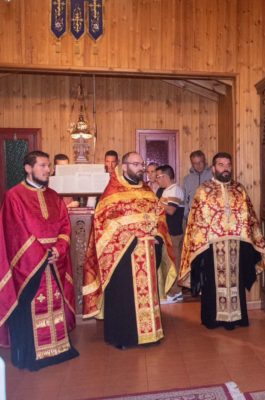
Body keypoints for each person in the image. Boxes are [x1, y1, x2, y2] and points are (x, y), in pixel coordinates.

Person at [82, 152, 176, 349]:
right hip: (122, 255)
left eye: (142, 164)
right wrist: (133, 238)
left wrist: (158, 237)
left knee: (147, 295)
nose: (141, 168)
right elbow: (104, 225)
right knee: (123, 296)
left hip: (148, 252)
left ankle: (149, 335)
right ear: (124, 167)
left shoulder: (148, 192)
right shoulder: (112, 193)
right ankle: (123, 337)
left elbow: (160, 218)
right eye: (136, 164)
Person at [0, 151, 78, 370]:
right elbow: (15, 232)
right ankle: (31, 356)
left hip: (54, 260)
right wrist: (41, 254)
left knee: (55, 302)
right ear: (28, 168)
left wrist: (58, 249)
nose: (47, 170)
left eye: (48, 166)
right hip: (28, 265)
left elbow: (65, 226)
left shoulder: (54, 196)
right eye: (42, 166)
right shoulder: (14, 196)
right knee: (30, 306)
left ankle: (59, 349)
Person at [180, 152, 265, 330]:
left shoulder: (239, 189)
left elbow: (250, 217)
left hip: (237, 244)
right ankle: (213, 319)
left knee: (236, 281)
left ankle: (236, 319)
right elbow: (195, 220)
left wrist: (251, 240)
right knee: (212, 283)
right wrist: (201, 244)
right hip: (211, 246)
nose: (225, 168)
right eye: (221, 165)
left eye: (228, 165)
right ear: (213, 168)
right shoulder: (203, 190)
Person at [156, 164, 185, 303]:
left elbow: (171, 210)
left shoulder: (175, 190)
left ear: (166, 176)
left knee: (174, 262)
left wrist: (156, 202)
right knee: (169, 262)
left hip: (174, 232)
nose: (157, 180)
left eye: (158, 177)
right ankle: (172, 291)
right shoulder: (167, 191)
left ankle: (176, 292)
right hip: (167, 233)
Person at [183, 150, 212, 222]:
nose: (198, 165)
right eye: (195, 163)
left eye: (200, 162)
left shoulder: (213, 175)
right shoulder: (187, 179)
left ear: (204, 161)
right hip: (192, 217)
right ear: (192, 163)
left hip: (210, 217)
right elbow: (185, 199)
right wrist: (187, 215)